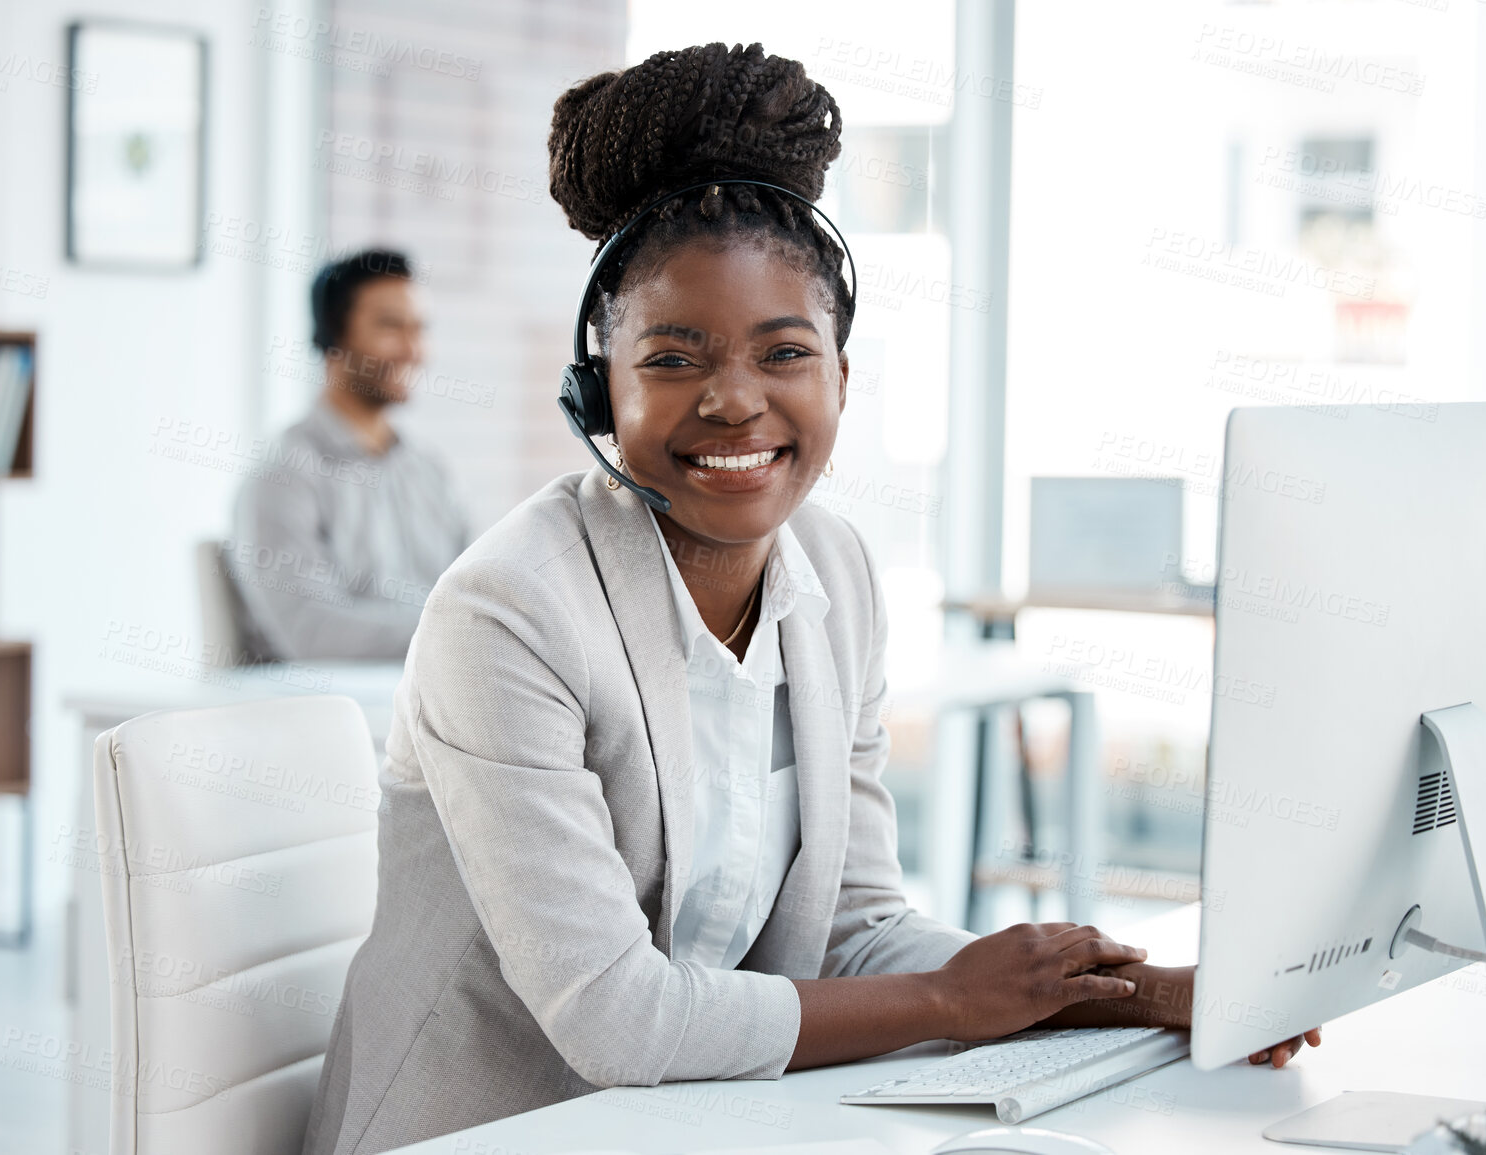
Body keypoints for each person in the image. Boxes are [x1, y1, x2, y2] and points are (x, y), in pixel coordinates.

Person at [303, 44, 1318, 1154]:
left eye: (784, 352)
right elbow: (614, 1015)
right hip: (490, 1129)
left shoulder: (835, 575)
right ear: (600, 385)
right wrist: (951, 1004)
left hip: (702, 1121)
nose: (735, 402)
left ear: (841, 374)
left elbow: (860, 931)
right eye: (674, 360)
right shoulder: (510, 614)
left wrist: (1150, 995)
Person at [225, 249, 471, 662]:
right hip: (330, 717)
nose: (414, 350)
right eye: (391, 327)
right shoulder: (282, 477)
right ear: (333, 337)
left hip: (431, 700)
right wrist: (463, 631)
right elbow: (312, 634)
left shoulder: (428, 470)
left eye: (420, 329)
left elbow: (476, 587)